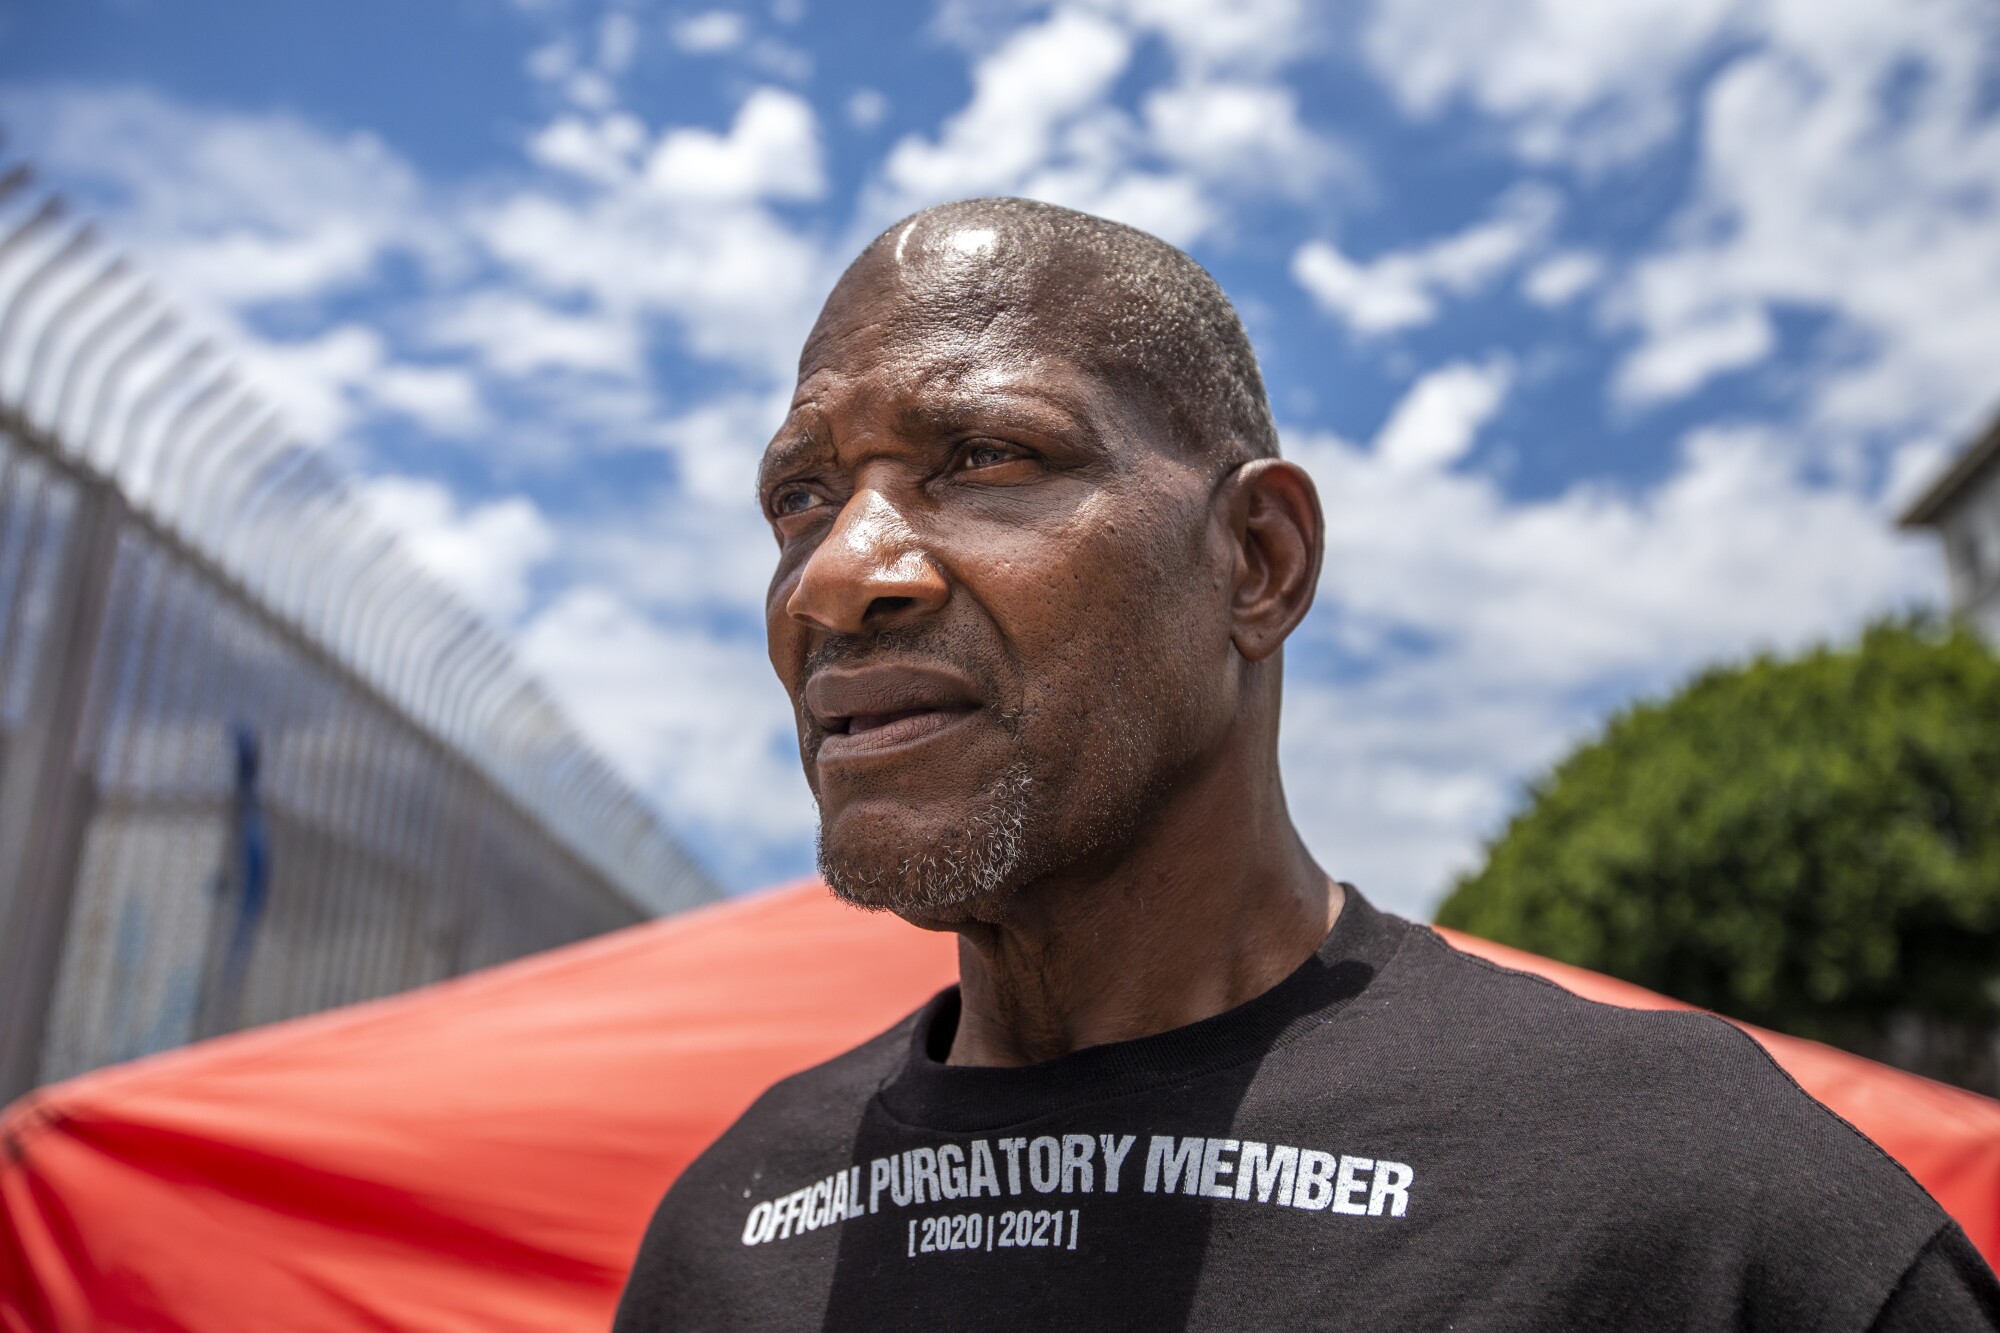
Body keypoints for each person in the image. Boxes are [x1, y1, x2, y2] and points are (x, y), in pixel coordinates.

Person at [613, 198, 2000, 1331]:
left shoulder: (1691, 1208)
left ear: (1257, 562)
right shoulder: (724, 1240)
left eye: (982, 455)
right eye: (801, 495)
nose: (836, 577)